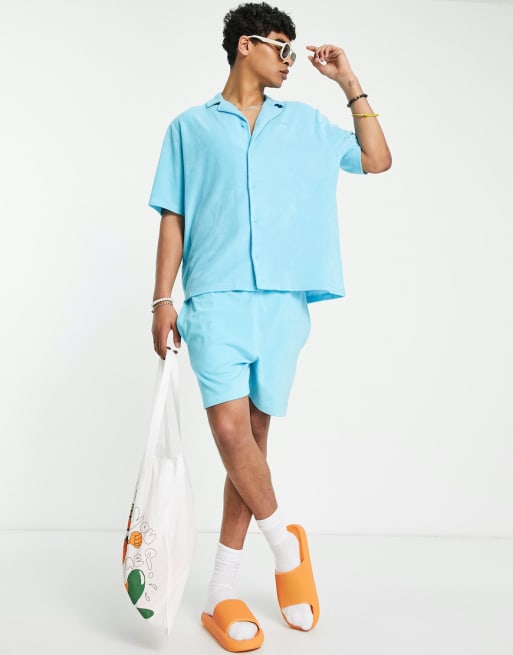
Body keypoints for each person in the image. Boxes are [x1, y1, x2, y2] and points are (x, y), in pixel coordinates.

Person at [148, 2, 391, 651]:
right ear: (244, 46)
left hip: (283, 302)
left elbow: (376, 159)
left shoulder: (305, 123)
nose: (289, 60)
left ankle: (220, 591)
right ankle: (286, 547)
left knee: (253, 441)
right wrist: (161, 298)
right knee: (230, 432)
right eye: (281, 47)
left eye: (292, 50)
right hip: (214, 297)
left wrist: (348, 81)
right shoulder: (189, 128)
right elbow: (172, 214)